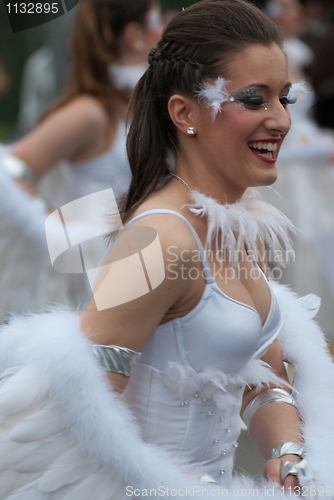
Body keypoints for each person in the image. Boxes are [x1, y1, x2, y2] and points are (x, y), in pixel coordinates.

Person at [0, 1, 333, 498]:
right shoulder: (160, 244)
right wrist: (58, 233)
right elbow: (80, 434)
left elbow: (262, 374)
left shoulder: (236, 225)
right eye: (253, 99)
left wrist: (289, 454)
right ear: (183, 113)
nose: (281, 120)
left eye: (283, 98)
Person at [0, 0, 163, 321]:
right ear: (134, 35)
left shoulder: (140, 106)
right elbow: (9, 170)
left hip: (151, 259)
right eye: (155, 19)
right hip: (102, 270)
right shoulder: (91, 112)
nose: (163, 30)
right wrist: (61, 229)